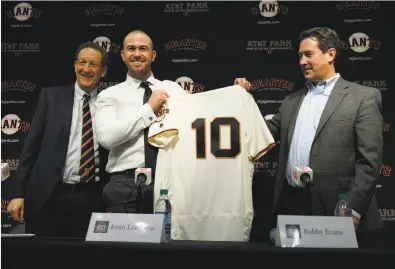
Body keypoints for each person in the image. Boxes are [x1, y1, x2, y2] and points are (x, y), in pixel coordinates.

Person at [235, 27, 384, 248]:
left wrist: (351, 210)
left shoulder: (363, 97)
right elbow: (262, 134)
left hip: (338, 209)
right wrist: (243, 99)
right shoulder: (291, 100)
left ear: (330, 54)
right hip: (292, 204)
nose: (302, 61)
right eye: (300, 55)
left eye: (308, 54)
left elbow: (369, 163)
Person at [95, 30, 250, 213]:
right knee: (123, 242)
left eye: (143, 49)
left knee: (170, 240)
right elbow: (106, 138)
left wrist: (234, 95)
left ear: (153, 55)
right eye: (131, 49)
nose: (137, 54)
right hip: (124, 185)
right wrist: (148, 109)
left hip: (170, 183)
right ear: (123, 55)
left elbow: (203, 118)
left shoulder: (173, 90)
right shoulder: (109, 95)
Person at [7, 41, 111, 238]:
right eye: (82, 62)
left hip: (92, 198)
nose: (86, 69)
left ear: (103, 71)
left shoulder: (110, 102)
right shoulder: (51, 96)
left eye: (93, 64)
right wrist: (17, 194)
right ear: (75, 65)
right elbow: (31, 147)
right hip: (49, 196)